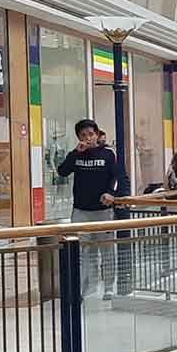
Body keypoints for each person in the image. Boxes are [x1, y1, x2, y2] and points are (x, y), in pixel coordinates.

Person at [57, 118, 128, 299]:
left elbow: (117, 176)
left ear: (97, 134)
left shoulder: (108, 154)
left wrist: (111, 193)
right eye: (83, 135)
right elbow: (62, 171)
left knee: (106, 251)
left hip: (102, 211)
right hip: (80, 211)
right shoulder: (76, 155)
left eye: (91, 134)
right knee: (80, 252)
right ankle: (81, 288)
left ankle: (109, 287)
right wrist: (74, 153)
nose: (88, 138)